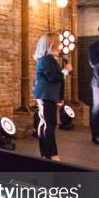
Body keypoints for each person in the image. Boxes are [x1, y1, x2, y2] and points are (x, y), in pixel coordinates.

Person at [33, 32, 72, 161]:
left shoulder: (47, 59)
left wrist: (59, 98)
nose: (60, 46)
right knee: (50, 124)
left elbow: (55, 80)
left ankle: (45, 153)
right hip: (46, 95)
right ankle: (51, 154)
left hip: (48, 95)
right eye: (59, 43)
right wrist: (66, 70)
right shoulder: (47, 59)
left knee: (45, 123)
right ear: (52, 44)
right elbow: (54, 78)